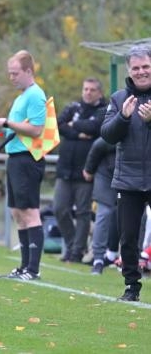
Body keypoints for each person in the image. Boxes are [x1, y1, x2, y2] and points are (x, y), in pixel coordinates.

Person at [0, 50, 47, 281]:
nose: (11, 78)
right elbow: (18, 127)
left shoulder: (35, 95)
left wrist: (7, 122)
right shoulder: (22, 96)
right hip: (15, 158)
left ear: (28, 71)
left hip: (28, 159)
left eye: (15, 73)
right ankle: (23, 267)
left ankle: (33, 269)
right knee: (17, 212)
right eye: (10, 73)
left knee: (30, 212)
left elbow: (36, 129)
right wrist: (1, 123)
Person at [101, 44, 151, 302]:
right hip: (128, 180)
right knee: (128, 237)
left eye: (145, 67)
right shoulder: (119, 98)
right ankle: (132, 287)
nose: (141, 72)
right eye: (136, 68)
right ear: (129, 71)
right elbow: (107, 135)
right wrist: (123, 117)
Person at [53, 78, 107, 263]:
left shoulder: (103, 109)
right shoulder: (73, 107)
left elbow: (95, 127)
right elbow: (58, 124)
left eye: (92, 89)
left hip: (86, 171)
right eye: (85, 89)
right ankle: (72, 244)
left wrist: (73, 125)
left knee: (83, 212)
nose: (88, 92)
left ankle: (76, 253)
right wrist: (78, 133)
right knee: (59, 209)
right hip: (65, 169)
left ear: (99, 92)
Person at [82, 137, 118, 274]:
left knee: (129, 217)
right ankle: (98, 259)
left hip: (131, 176)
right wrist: (89, 170)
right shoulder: (121, 126)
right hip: (107, 175)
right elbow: (98, 146)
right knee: (104, 214)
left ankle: (133, 259)